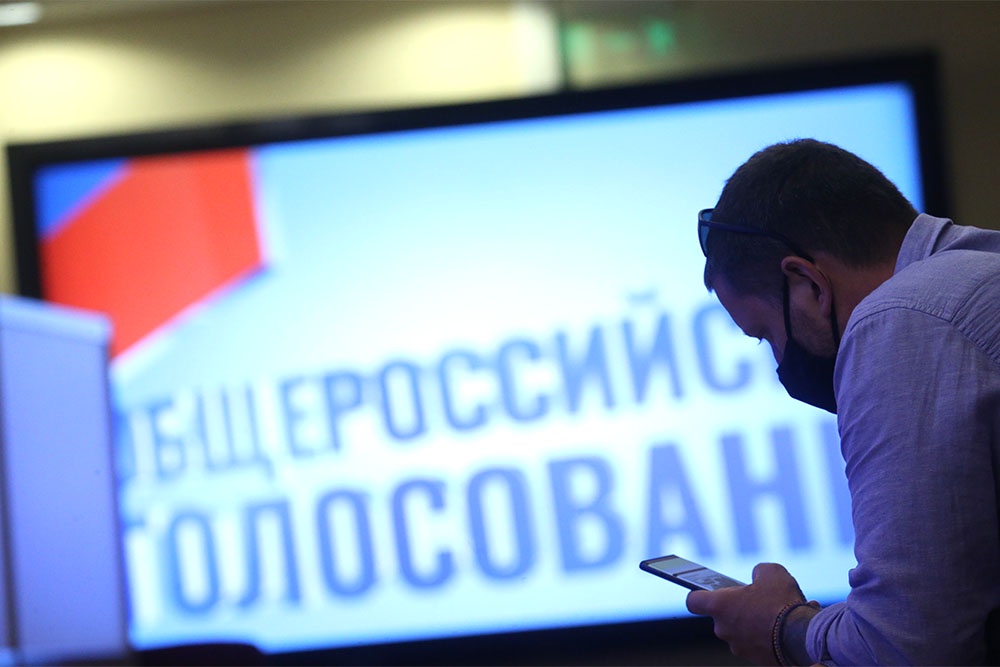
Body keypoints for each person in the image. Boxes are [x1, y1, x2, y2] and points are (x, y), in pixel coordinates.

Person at [688, 138, 1000, 665]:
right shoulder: (980, 267)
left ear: (809, 283)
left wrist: (780, 625)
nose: (779, 361)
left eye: (765, 335)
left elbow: (904, 647)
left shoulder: (902, 320)